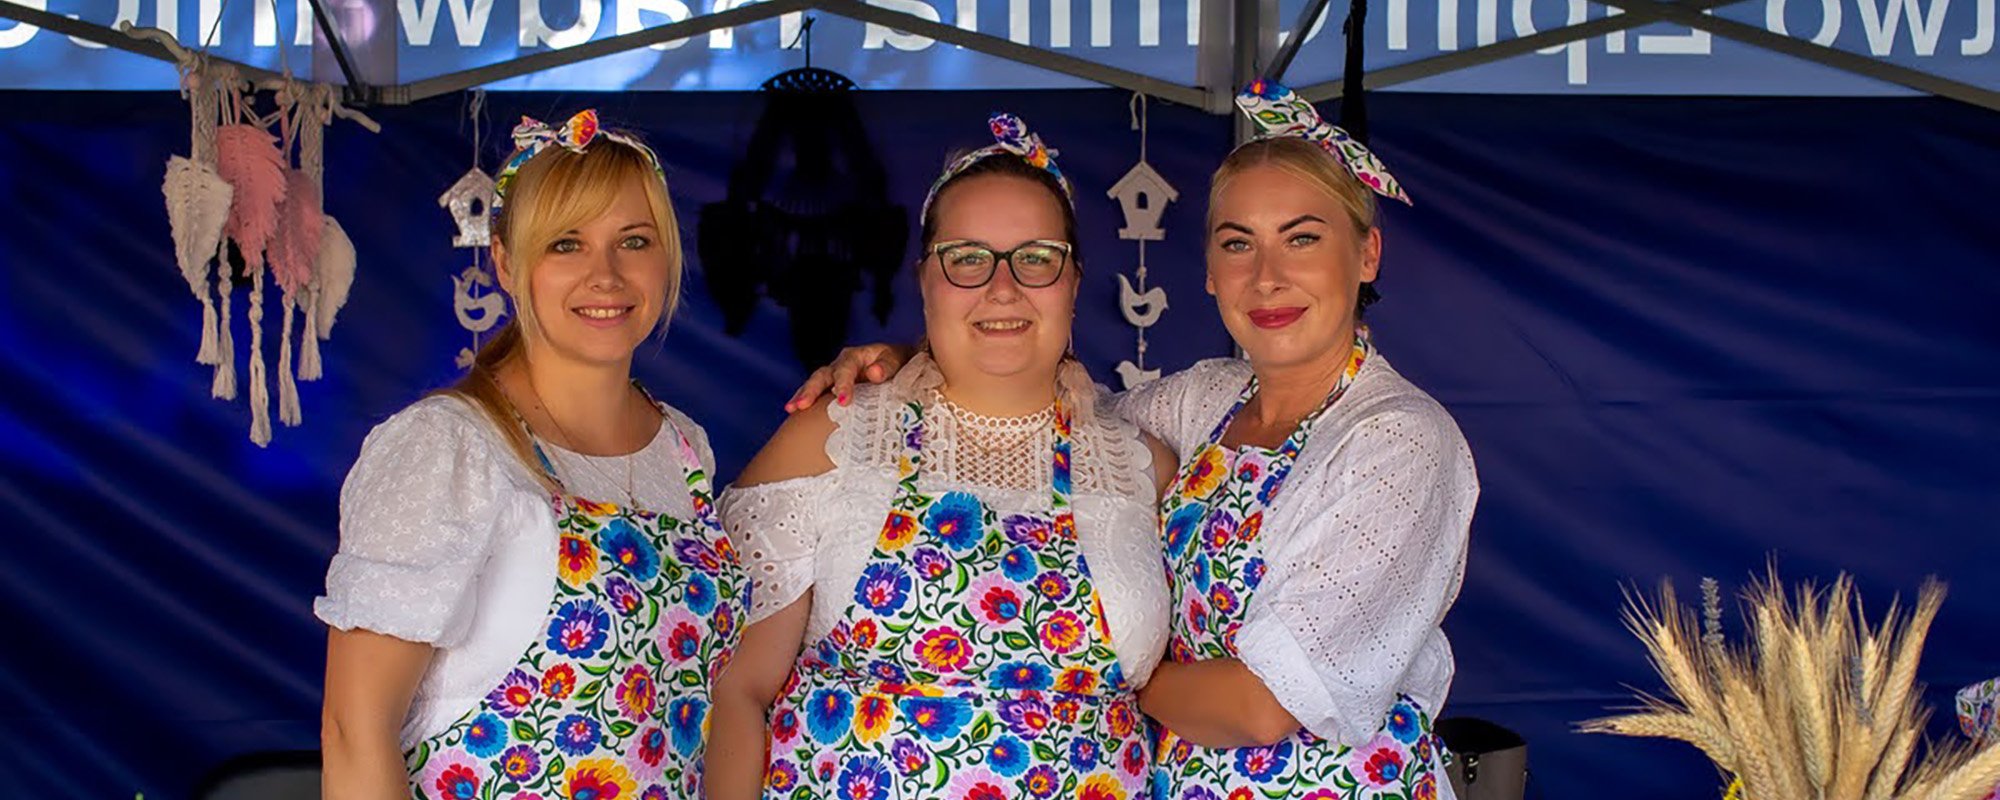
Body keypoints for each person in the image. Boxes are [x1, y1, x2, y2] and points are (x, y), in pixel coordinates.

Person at [794, 82, 1478, 799]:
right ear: (1211, 275)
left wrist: (1110, 684)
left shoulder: (1399, 441)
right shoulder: (1206, 400)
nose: (1268, 278)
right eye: (1238, 243)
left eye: (1302, 239)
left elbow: (1263, 706)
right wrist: (912, 361)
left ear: (1367, 254)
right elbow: (1032, 399)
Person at [706, 114, 1178, 800]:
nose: (1003, 287)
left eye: (1037, 257)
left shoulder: (1149, 467)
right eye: (967, 258)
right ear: (926, 279)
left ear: (1074, 282)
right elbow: (737, 689)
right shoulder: (834, 436)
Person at [316, 110, 749, 800]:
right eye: (566, 245)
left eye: (632, 241)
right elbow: (352, 730)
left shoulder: (682, 445)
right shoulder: (452, 446)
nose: (605, 275)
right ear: (506, 263)